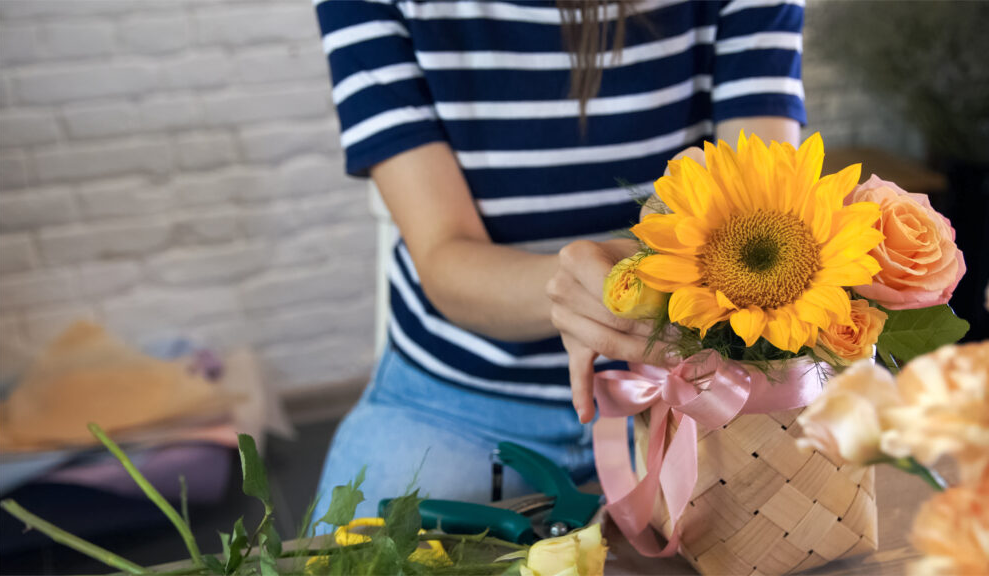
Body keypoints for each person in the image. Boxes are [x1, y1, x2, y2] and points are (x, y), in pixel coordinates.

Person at [310, 0, 803, 526]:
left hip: (685, 394)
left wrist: (683, 248)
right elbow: (444, 257)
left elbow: (762, 212)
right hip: (453, 405)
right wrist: (598, 280)